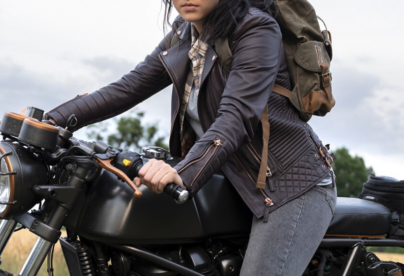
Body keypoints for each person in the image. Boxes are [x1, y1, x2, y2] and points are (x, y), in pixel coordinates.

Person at [45, 0, 336, 274]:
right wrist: (50, 121)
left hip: (289, 187)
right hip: (230, 181)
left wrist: (182, 172)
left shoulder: (256, 29)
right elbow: (128, 87)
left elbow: (236, 117)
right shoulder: (185, 33)